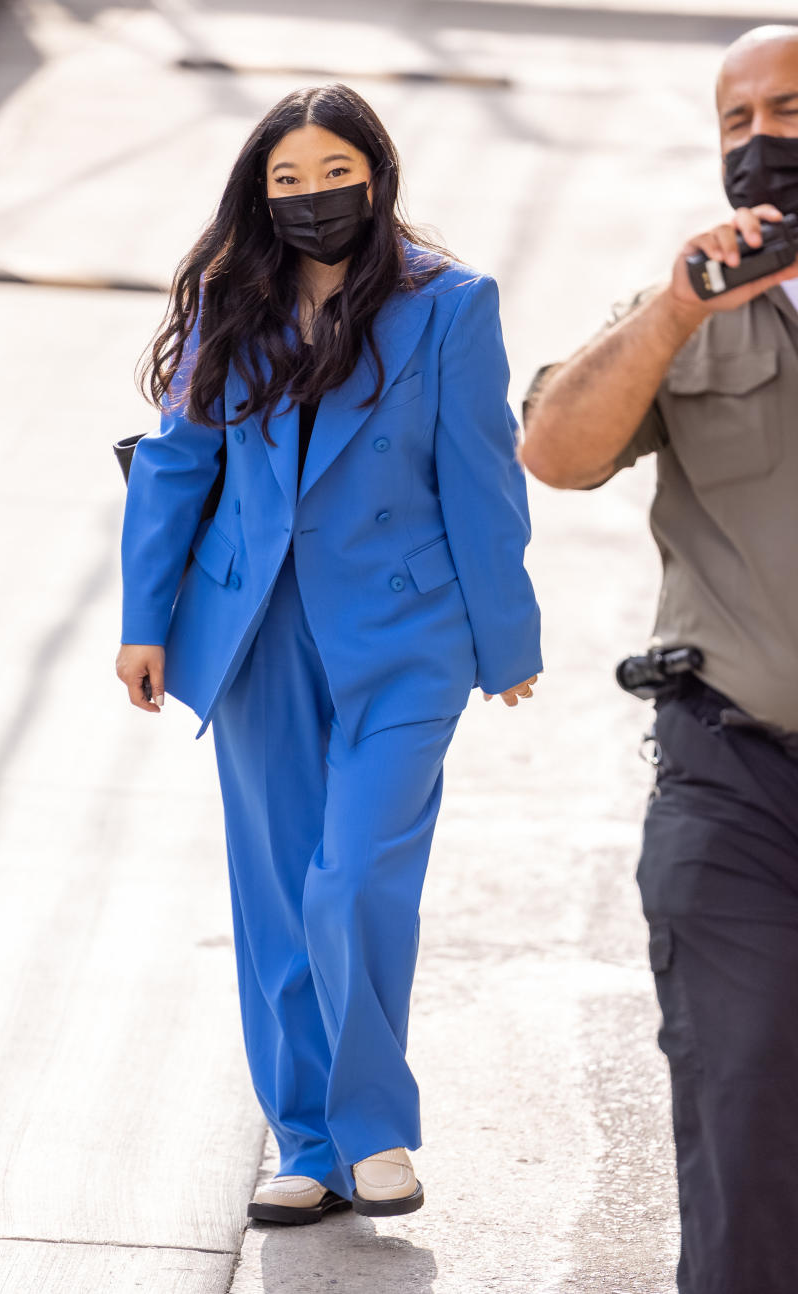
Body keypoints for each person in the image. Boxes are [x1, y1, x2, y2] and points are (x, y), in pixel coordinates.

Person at [116, 83, 541, 1224]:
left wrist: (508, 637)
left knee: (352, 881)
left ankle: (374, 1130)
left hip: (406, 636)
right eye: (285, 181)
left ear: (377, 174)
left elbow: (482, 477)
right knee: (276, 899)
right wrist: (144, 621)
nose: (312, 200)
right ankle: (306, 1141)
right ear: (260, 196)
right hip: (253, 633)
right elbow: (176, 463)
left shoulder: (449, 306)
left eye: (332, 175)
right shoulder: (233, 296)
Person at [521, 25, 798, 1294]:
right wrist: (680, 307)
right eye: (736, 122)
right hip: (733, 775)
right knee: (743, 1108)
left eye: (786, 111)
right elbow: (558, 449)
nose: (759, 143)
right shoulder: (688, 306)